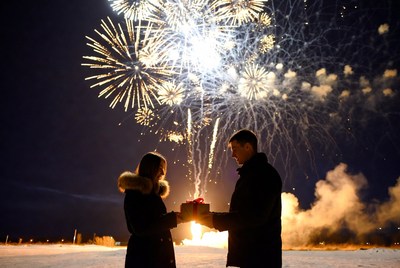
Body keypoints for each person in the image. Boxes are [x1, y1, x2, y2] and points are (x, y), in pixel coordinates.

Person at [197, 129, 282, 267]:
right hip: (253, 256)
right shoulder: (251, 175)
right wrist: (211, 217)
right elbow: (243, 214)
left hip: (258, 258)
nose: (232, 154)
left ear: (248, 147)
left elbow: (254, 217)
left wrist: (214, 220)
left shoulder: (264, 175)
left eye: (235, 148)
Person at [117, 151, 184, 268]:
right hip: (146, 258)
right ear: (150, 168)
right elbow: (141, 228)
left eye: (164, 169)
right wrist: (172, 219)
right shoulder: (135, 194)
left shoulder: (153, 193)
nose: (163, 172)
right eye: (160, 168)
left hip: (155, 256)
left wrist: (175, 217)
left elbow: (155, 220)